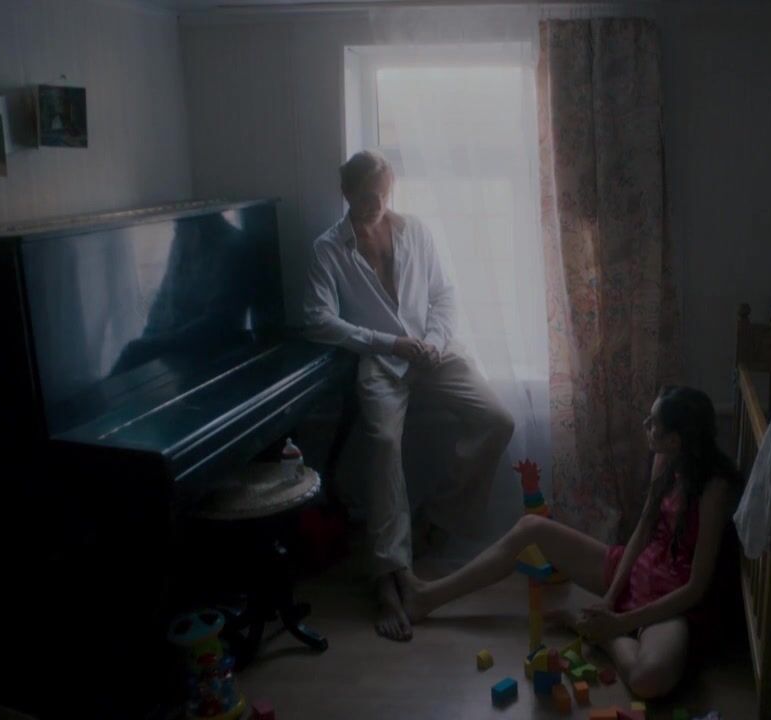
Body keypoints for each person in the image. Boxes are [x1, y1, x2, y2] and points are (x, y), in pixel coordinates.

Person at [403, 386, 739, 699]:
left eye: (653, 424)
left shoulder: (714, 488)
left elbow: (695, 588)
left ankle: (602, 634)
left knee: (647, 679)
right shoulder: (665, 458)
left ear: (676, 441)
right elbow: (642, 531)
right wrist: (609, 599)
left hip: (671, 599)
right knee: (531, 528)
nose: (645, 425)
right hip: (640, 570)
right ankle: (428, 596)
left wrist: (621, 623)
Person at [304, 150, 515, 642]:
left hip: (433, 352)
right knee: (382, 443)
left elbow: (443, 294)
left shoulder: (415, 231)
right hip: (380, 361)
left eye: (380, 195)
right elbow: (317, 320)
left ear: (391, 187)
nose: (372, 205)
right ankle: (388, 577)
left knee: (498, 420)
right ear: (345, 193)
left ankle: (435, 520)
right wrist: (389, 343)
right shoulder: (327, 249)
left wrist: (434, 342)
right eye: (363, 197)